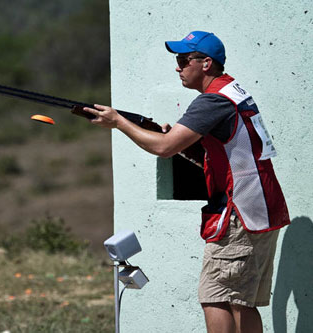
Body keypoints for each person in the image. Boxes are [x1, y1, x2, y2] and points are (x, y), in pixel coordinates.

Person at [82, 31, 290, 333]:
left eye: (183, 60)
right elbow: (226, 150)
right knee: (239, 301)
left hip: (239, 213)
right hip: (256, 208)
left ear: (206, 63)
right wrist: (182, 141)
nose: (178, 67)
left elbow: (163, 147)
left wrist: (119, 123)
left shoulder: (212, 101)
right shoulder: (232, 91)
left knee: (216, 298)